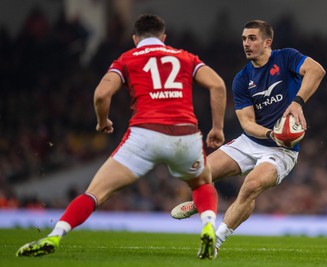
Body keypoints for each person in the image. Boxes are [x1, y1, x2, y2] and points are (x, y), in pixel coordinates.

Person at [16, 13, 226, 260]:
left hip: (144, 135)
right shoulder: (185, 57)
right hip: (185, 134)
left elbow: (101, 94)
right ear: (164, 37)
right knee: (202, 184)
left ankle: (55, 234)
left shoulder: (126, 59)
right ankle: (208, 226)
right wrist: (217, 128)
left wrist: (103, 121)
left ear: (135, 38)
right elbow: (218, 86)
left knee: (94, 193)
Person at [171, 19, 326, 257]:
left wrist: (297, 103)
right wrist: (271, 133)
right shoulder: (242, 79)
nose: (246, 43)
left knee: (250, 186)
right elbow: (247, 123)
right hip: (252, 141)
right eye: (244, 39)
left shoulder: (285, 58)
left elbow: (317, 70)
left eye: (252, 38)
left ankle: (216, 240)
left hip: (281, 151)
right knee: (200, 173)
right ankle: (198, 202)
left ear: (267, 42)